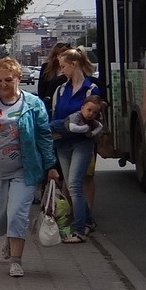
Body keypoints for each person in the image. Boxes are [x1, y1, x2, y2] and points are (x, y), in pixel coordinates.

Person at [0, 56, 62, 278]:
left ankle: (16, 260)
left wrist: (50, 165)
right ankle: (10, 235)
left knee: (17, 213)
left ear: (18, 78)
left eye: (8, 80)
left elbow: (44, 136)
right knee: (0, 214)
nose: (3, 85)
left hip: (24, 170)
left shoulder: (33, 103)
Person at [47, 46, 101, 242]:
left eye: (63, 66)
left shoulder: (91, 89)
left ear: (74, 64)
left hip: (82, 143)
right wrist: (54, 133)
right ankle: (89, 221)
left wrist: (81, 130)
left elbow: (93, 117)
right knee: (71, 186)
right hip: (62, 142)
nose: (61, 70)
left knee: (75, 185)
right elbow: (55, 114)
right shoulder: (61, 89)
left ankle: (79, 231)